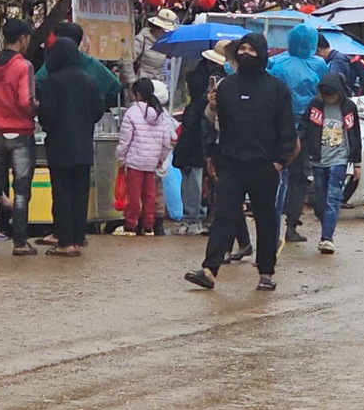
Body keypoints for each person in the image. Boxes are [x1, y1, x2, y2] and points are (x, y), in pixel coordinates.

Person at [186, 30, 297, 293]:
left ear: (262, 54)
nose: (245, 54)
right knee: (224, 216)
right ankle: (209, 270)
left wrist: (279, 162)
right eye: (242, 50)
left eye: (251, 50)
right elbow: (213, 123)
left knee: (266, 219)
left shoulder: (277, 89)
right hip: (231, 164)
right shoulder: (226, 86)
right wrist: (211, 114)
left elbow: (287, 131)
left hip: (264, 166)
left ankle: (266, 272)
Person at [37, 37, 105, 256]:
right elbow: (98, 112)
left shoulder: (51, 82)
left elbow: (46, 114)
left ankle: (65, 241)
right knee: (80, 194)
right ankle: (78, 237)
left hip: (59, 146)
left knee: (62, 193)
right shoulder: (90, 81)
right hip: (84, 146)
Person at [0, 19, 38, 256]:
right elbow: (27, 101)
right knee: (21, 188)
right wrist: (36, 109)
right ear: (23, 38)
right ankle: (20, 241)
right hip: (20, 133)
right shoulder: (23, 66)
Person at [270, 22, 324, 244]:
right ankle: (291, 225)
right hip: (307, 127)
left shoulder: (275, 62)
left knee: (276, 174)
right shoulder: (319, 65)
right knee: (300, 177)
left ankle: (272, 218)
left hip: (278, 126)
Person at [302, 75, 360, 253]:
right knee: (320, 199)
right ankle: (326, 223)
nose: (328, 99)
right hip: (318, 160)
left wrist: (357, 162)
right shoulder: (314, 105)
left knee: (333, 197)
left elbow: (355, 134)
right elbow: (305, 128)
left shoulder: (349, 107)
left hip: (339, 160)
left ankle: (327, 238)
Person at [113, 77, 177, 236]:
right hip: (152, 162)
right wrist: (160, 159)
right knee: (150, 195)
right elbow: (166, 141)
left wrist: (121, 156)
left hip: (135, 161)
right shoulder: (160, 113)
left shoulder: (132, 112)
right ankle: (149, 227)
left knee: (133, 195)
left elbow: (125, 139)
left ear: (137, 94)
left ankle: (130, 225)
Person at [171, 48, 224, 236]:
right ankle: (202, 216)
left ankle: (192, 219)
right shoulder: (222, 80)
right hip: (212, 137)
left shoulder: (198, 81)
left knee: (192, 172)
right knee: (206, 175)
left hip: (197, 134)